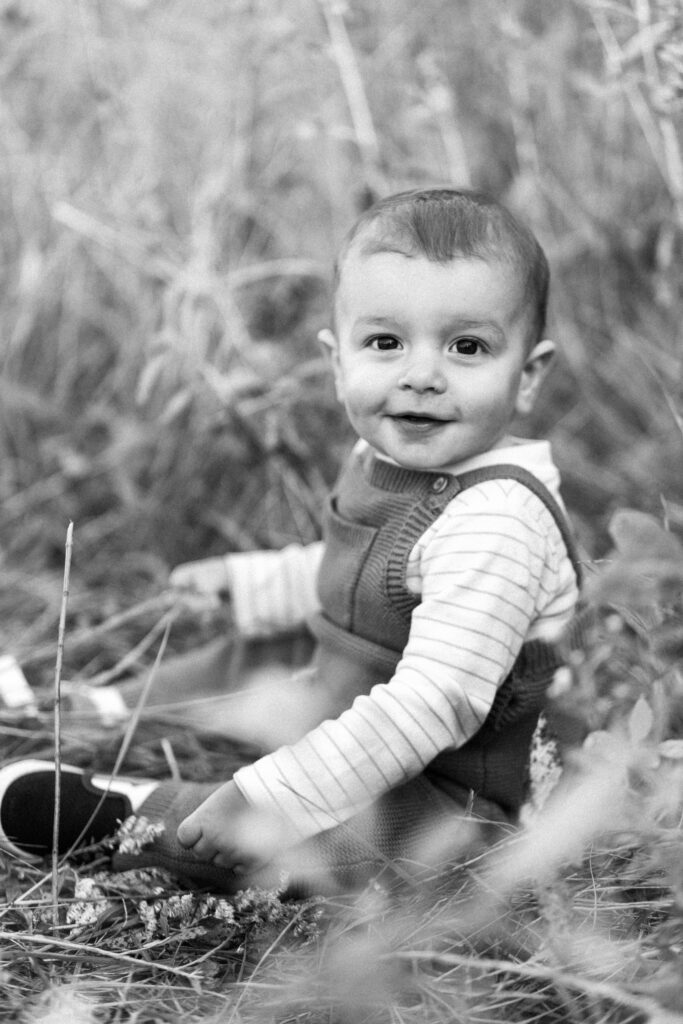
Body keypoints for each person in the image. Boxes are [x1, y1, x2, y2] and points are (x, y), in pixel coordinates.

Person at [0, 188, 581, 894]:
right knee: (264, 654)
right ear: (337, 362)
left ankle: (125, 817)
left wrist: (273, 794)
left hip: (455, 795)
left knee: (352, 837)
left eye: (466, 347)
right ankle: (98, 707)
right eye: (385, 342)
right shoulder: (391, 461)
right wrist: (252, 584)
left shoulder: (497, 521)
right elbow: (366, 575)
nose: (421, 375)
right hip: (349, 707)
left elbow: (432, 704)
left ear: (526, 375)